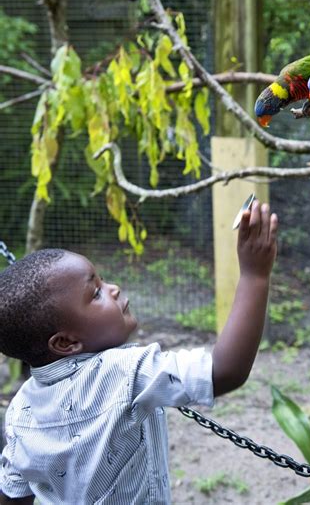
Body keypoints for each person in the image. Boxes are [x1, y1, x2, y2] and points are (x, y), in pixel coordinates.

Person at [0, 200, 278, 505]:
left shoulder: (19, 412)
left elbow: (13, 495)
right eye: (95, 293)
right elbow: (225, 370)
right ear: (65, 343)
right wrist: (255, 275)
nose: (114, 289)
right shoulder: (124, 372)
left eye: (102, 280)